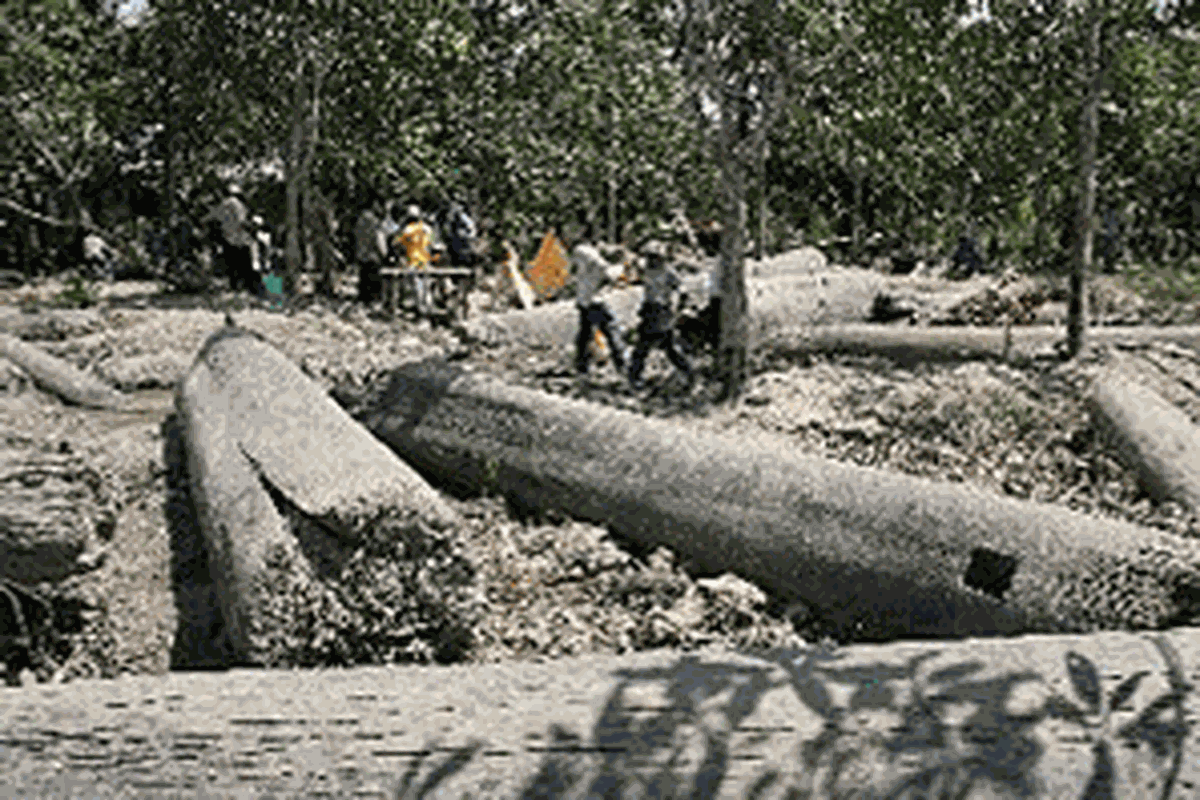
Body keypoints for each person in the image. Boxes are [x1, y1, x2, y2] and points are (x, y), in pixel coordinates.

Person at [628, 240, 693, 391]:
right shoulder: (648, 270)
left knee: (662, 347)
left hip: (661, 311)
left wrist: (679, 306)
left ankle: (689, 374)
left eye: (654, 257)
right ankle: (634, 378)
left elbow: (682, 289)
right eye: (649, 256)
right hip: (650, 310)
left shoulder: (668, 271)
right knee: (644, 348)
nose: (651, 260)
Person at [571, 241, 627, 378]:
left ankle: (581, 366)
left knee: (585, 336)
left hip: (583, 301)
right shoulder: (602, 267)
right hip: (596, 303)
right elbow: (615, 277)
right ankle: (622, 365)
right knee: (612, 331)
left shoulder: (583, 257)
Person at [204, 184, 257, 294]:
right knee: (246, 267)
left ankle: (235, 289)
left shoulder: (222, 205)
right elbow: (242, 221)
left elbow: (209, 218)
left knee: (232, 267)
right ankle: (251, 290)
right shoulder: (237, 204)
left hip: (228, 239)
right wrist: (253, 227)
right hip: (241, 239)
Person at [395, 204, 435, 313]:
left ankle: (421, 311)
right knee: (426, 286)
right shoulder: (427, 228)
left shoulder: (407, 230)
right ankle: (428, 309)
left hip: (413, 261)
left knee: (417, 287)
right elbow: (433, 244)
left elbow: (397, 243)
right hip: (425, 261)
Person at [355, 202, 388, 304]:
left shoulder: (360, 220)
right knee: (374, 282)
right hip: (373, 256)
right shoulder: (374, 222)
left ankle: (364, 302)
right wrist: (384, 254)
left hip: (361, 254)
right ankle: (374, 303)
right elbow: (379, 240)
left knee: (364, 280)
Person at [445, 200, 478, 268]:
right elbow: (449, 229)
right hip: (455, 241)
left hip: (463, 240)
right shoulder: (452, 217)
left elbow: (471, 228)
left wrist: (466, 234)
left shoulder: (464, 217)